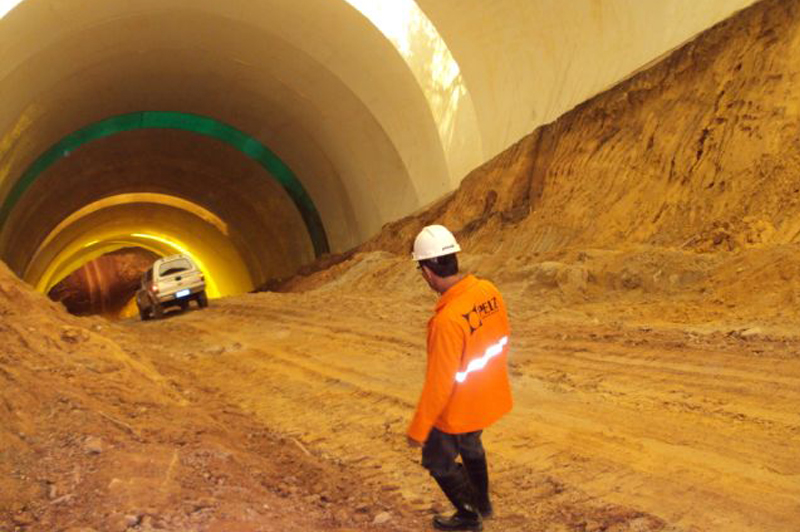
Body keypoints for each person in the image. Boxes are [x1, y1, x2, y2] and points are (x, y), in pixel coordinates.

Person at [406, 224, 513, 532]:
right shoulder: (487, 291)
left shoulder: (447, 321)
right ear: (454, 257)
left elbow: (439, 385)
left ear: (427, 272)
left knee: (437, 461)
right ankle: (483, 503)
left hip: (459, 404)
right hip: (487, 391)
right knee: (471, 446)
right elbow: (502, 335)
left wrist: (419, 428)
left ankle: (469, 516)